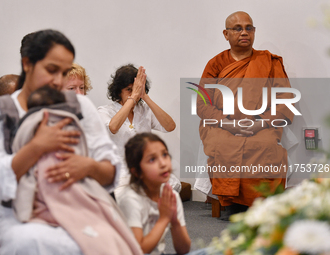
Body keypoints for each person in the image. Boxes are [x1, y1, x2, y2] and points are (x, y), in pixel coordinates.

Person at [0, 29, 122, 255]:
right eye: (51, 70)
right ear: (27, 64)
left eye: (63, 73)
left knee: (109, 242)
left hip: (79, 206)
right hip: (20, 215)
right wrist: (36, 147)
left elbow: (110, 168)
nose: (57, 81)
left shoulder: (80, 107)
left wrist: (89, 166)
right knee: (32, 243)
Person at [197, 11, 294, 219]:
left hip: (262, 124)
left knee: (266, 147)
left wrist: (260, 123)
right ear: (226, 34)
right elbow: (203, 104)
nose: (244, 32)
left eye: (249, 28)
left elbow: (285, 100)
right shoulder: (216, 64)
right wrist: (228, 124)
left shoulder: (269, 61)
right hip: (224, 124)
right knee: (223, 146)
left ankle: (262, 203)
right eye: (238, 28)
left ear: (254, 32)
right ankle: (232, 202)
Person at [98, 64, 179, 197]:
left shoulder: (144, 110)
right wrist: (133, 97)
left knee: (173, 185)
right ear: (119, 91)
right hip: (121, 170)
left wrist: (145, 97)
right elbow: (113, 127)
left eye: (136, 89)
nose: (133, 93)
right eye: (128, 89)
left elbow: (170, 126)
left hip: (145, 169)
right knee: (122, 194)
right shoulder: (105, 111)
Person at [117, 133, 191, 255]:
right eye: (152, 159)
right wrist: (164, 219)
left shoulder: (170, 196)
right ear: (136, 172)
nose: (163, 163)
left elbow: (183, 250)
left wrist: (175, 221)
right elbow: (138, 251)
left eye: (165, 154)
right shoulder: (130, 199)